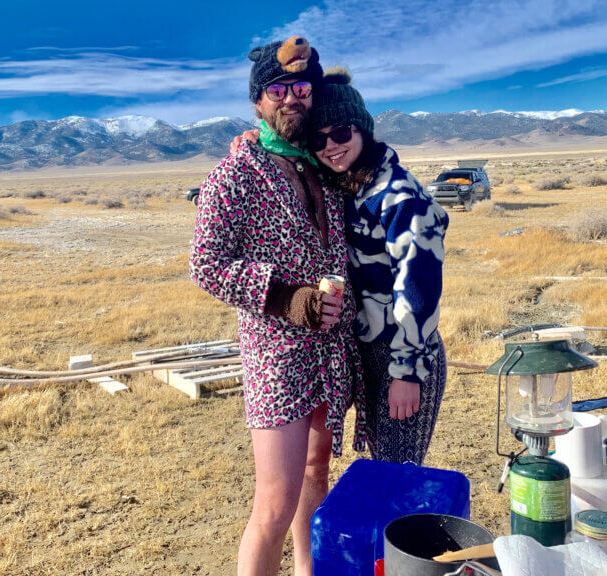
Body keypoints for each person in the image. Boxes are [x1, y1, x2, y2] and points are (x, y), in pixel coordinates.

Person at [189, 37, 366, 576]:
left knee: (317, 475)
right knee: (273, 504)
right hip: (277, 360)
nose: (293, 97)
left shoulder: (321, 165)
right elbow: (206, 262)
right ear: (258, 100)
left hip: (329, 354)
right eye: (279, 88)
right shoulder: (236, 173)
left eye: (302, 88)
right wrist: (287, 298)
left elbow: (362, 135)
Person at [309, 69, 449, 464]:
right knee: (381, 464)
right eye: (318, 139)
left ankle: (404, 529)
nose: (330, 146)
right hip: (369, 351)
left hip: (402, 352)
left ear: (362, 129)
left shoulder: (398, 194)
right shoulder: (349, 183)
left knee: (396, 473)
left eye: (340, 133)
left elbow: (419, 285)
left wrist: (406, 372)